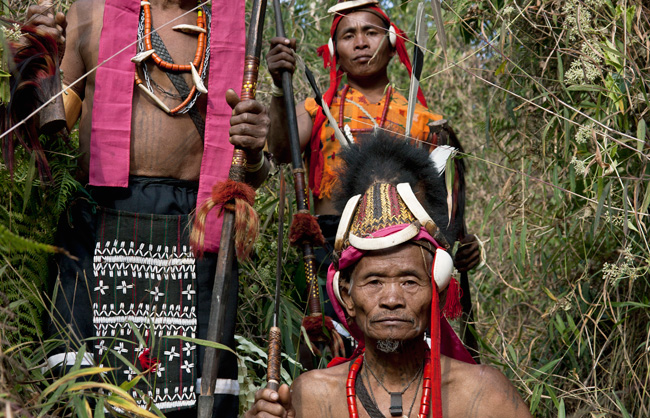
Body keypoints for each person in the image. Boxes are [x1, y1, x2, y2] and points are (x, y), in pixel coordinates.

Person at [27, 0, 269, 415]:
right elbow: (49, 124)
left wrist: (256, 152)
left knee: (200, 390)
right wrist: (40, 56)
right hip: (98, 222)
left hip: (197, 230)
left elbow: (248, 171)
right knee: (81, 391)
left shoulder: (232, 25)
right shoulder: (90, 12)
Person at [246, 132, 531, 418]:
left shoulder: (486, 396)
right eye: (374, 282)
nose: (392, 299)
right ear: (346, 296)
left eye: (409, 281)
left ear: (439, 291)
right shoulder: (312, 398)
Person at [266, 0, 480, 356]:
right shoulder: (317, 108)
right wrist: (278, 89)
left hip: (406, 245)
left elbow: (445, 201)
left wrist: (462, 243)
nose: (361, 42)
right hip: (330, 246)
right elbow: (282, 149)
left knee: (405, 352)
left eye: (371, 32)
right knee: (328, 354)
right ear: (335, 49)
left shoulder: (425, 119)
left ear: (393, 41)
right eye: (349, 35)